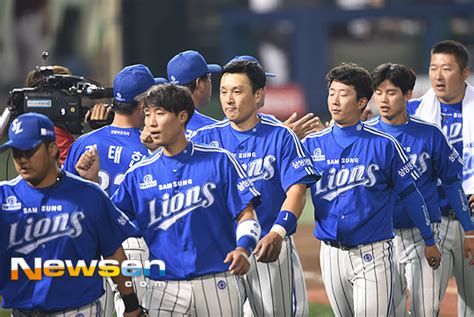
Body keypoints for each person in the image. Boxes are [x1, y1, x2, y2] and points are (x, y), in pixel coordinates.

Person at [78, 83, 262, 315]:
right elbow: (109, 224)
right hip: (162, 287)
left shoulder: (219, 161)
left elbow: (246, 213)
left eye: (160, 113)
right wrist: (92, 182)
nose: (151, 122)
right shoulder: (138, 174)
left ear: (182, 116)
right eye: (147, 114)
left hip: (217, 281)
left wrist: (244, 248)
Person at [302, 63, 441, 316]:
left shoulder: (384, 144)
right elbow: (292, 191)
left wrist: (429, 239)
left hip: (373, 253)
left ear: (362, 102)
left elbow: (411, 195)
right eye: (332, 92)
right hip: (330, 254)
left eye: (343, 94)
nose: (335, 100)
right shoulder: (311, 145)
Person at [191, 60, 319, 316]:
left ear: (258, 94)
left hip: (268, 248)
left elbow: (297, 190)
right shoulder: (205, 139)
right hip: (221, 252)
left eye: (237, 91)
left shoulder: (281, 136)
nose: (228, 99)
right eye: (224, 91)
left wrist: (278, 232)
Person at [0, 113, 143, 316]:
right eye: (16, 153)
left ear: (52, 149)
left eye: (30, 151)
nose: (23, 160)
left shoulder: (88, 195)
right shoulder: (4, 197)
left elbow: (114, 254)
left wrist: (131, 304)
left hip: (79, 310)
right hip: (23, 311)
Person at [367, 62, 473, 316]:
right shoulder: (366, 135)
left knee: (426, 310)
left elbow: (451, 183)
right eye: (378, 92)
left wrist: (469, 230)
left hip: (423, 234)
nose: (383, 99)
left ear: (407, 95)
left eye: (391, 92)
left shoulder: (430, 134)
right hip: (380, 237)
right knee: (386, 310)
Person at [64, 64, 166, 316]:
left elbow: (67, 196)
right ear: (143, 104)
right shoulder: (151, 147)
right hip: (131, 245)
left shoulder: (83, 143)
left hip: (88, 247)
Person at [407, 40, 474, 316]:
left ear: (465, 73)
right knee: (424, 308)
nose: (438, 75)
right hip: (435, 222)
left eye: (446, 68)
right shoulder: (412, 112)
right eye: (433, 68)